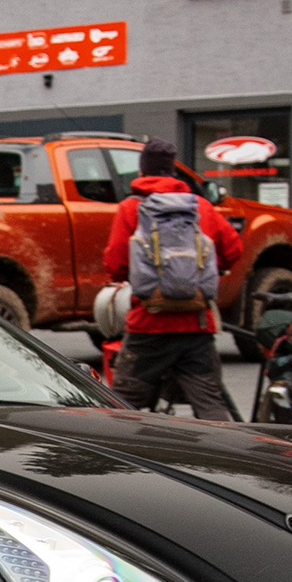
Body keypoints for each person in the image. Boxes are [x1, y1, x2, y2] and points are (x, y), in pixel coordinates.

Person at [99, 138, 242, 420]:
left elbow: (115, 262)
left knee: (124, 404)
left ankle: (117, 458)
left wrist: (130, 275)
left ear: (142, 172)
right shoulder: (200, 206)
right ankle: (232, 457)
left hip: (148, 325)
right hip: (196, 325)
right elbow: (233, 250)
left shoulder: (131, 208)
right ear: (173, 172)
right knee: (211, 404)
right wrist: (207, 271)